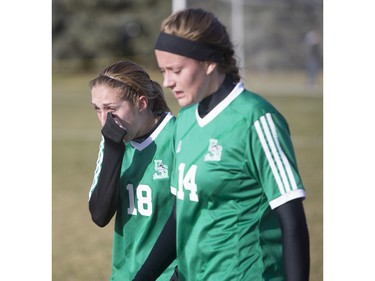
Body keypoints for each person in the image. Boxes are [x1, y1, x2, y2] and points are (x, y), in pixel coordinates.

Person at [135, 8, 310, 281]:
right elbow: (180, 215)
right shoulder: (185, 121)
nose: (167, 82)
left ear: (209, 62)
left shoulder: (255, 119)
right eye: (163, 71)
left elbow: (293, 223)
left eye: (176, 70)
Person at [87, 59, 177, 280]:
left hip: (170, 275)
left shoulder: (178, 136)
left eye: (111, 109)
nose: (105, 120)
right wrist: (113, 151)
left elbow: (188, 217)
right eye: (97, 109)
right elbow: (99, 215)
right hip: (125, 275)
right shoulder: (112, 142)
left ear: (141, 103)